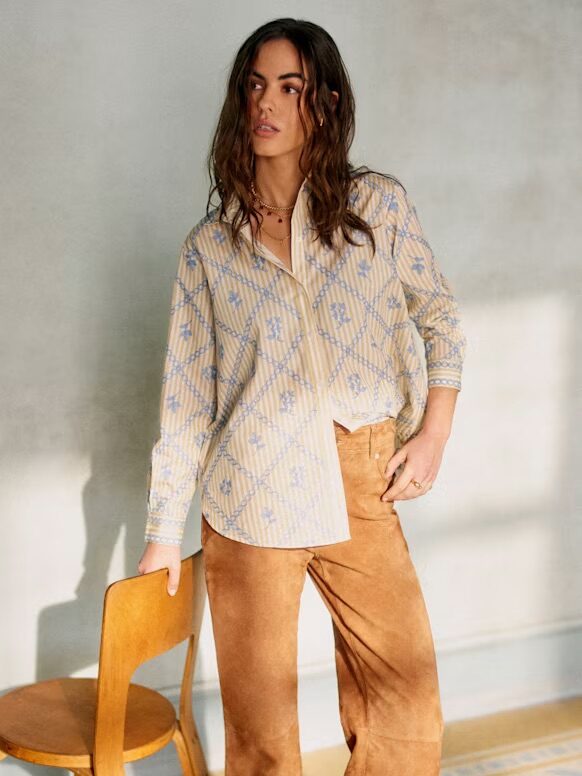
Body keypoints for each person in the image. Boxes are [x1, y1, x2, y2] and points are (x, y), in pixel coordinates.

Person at [138, 17, 467, 776]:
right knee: (262, 744)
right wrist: (162, 530)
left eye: (290, 87)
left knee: (406, 709)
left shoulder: (377, 209)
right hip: (251, 496)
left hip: (361, 479)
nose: (268, 104)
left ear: (323, 101)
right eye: (255, 85)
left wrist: (435, 431)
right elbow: (186, 402)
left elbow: (439, 317)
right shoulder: (209, 248)